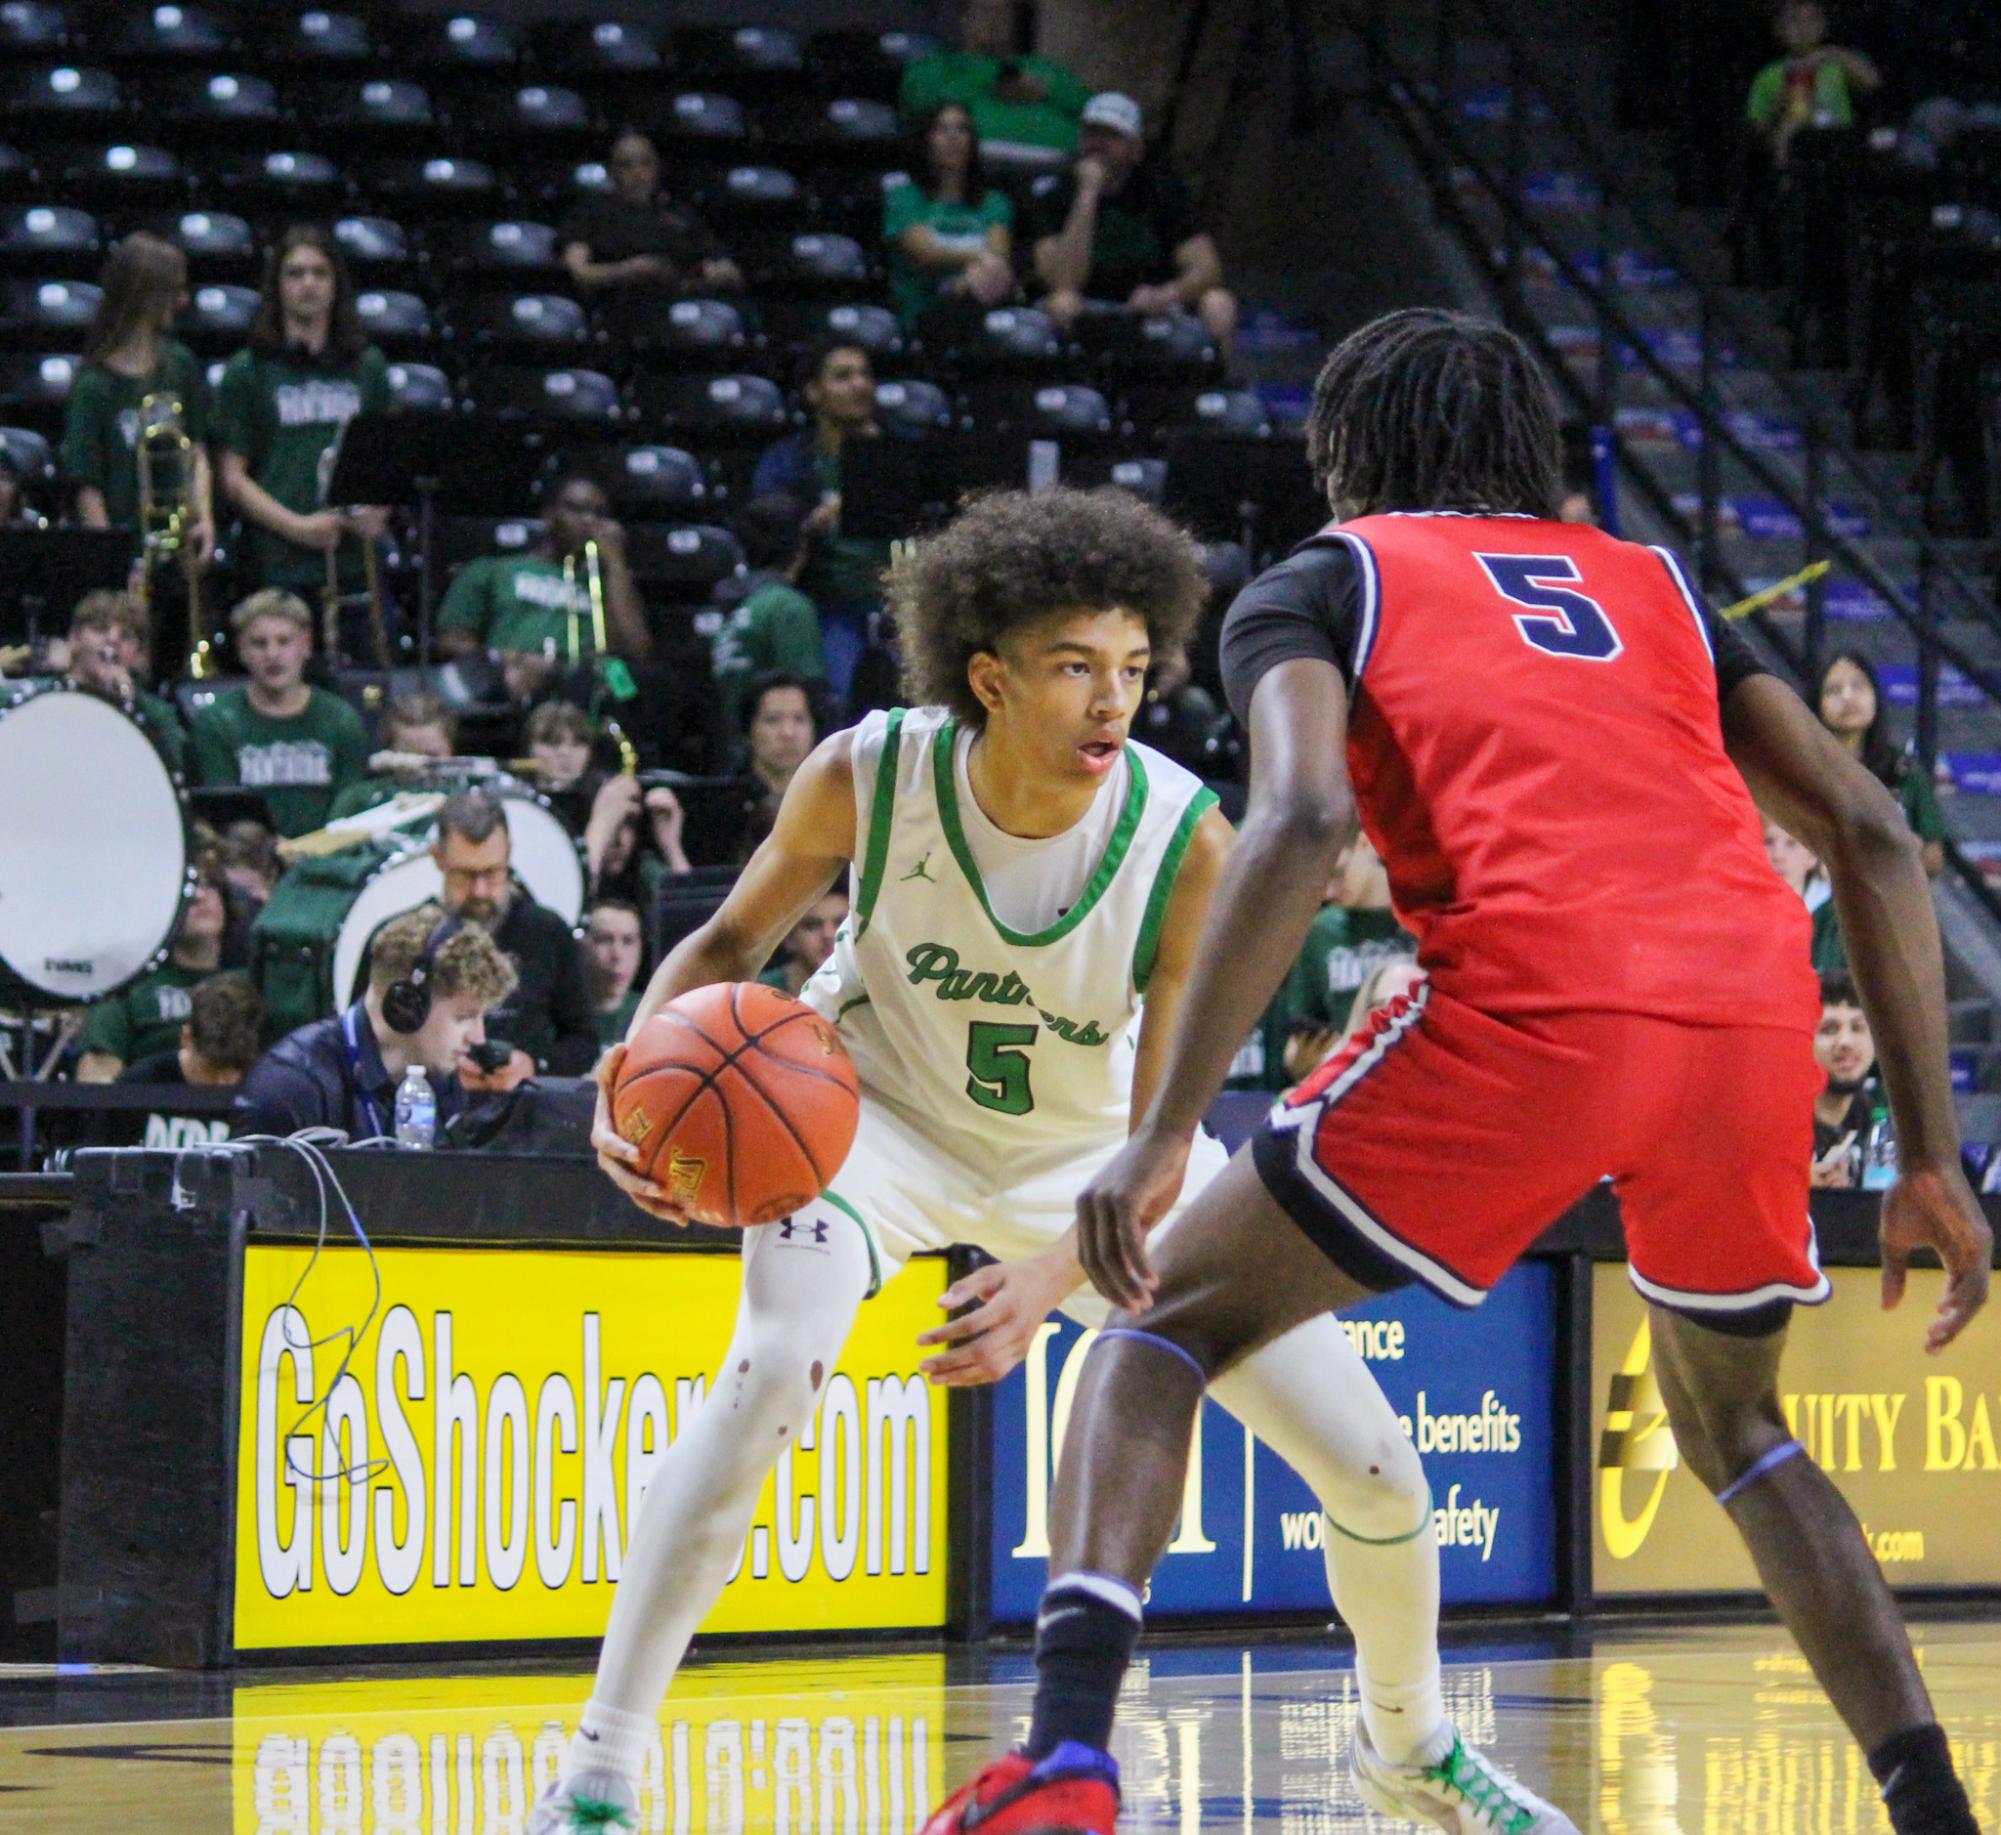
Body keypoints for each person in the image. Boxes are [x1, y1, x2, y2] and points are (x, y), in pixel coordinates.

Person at [931, 310, 1988, 1835]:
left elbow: (1296, 824)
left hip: (1534, 1003)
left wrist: (1164, 1129)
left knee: (1160, 1321)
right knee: (1742, 1434)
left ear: (1348, 450)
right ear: (1525, 452)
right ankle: (1933, 1807)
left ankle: (1071, 1753)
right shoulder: (1662, 586)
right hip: (1749, 1011)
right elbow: (1873, 837)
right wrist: (1932, 1159)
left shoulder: (1327, 579)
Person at [528, 486, 1559, 1835]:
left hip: (1095, 1160)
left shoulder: (1183, 838)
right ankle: (601, 1765)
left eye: (1132, 667)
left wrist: (1045, 1274)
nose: (1109, 701)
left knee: (1373, 1464)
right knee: (774, 1364)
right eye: (1075, 666)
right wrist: (628, 1077)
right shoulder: (869, 769)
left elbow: (1158, 1137)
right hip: (872, 1122)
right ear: (988, 674)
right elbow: (723, 951)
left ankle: (1412, 1744)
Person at [213, 225, 390, 611]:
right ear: (277, 285)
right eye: (295, 273)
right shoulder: (248, 370)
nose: (308, 284)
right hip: (279, 564)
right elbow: (232, 477)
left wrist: (377, 513)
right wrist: (298, 527)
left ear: (336, 283)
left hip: (354, 564)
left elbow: (390, 460)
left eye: (319, 273)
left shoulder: (368, 366)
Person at [235, 903, 516, 1138]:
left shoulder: (443, 1084)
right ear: (407, 1006)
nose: (478, 1038)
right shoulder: (292, 1088)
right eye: (463, 1017)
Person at [1024, 93, 1239, 365]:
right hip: (1086, 303)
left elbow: (1208, 269)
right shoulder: (1054, 194)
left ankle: (1216, 396)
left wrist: (1166, 294)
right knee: (1062, 302)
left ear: (1136, 149)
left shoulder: (1163, 191)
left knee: (1219, 303)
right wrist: (1087, 195)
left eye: (1111, 136)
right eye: (1092, 134)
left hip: (1149, 302)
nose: (1097, 144)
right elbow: (1061, 280)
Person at [418, 789, 598, 1084]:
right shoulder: (411, 939)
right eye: (465, 875)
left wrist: (533, 1065)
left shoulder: (547, 932)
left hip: (523, 1112)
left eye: (492, 873)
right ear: (438, 858)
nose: (480, 891)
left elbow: (583, 1041)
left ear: (509, 853)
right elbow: (379, 1042)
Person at [60, 231, 214, 574]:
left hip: (179, 550)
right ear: (145, 296)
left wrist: (203, 518)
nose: (184, 300)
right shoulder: (93, 387)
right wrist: (112, 565)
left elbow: (197, 454)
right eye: (174, 291)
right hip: (129, 553)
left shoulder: (181, 364)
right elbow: (88, 489)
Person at [751, 339, 891, 704]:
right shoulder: (786, 462)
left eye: (865, 375)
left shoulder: (901, 452)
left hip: (896, 603)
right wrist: (810, 521)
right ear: (814, 392)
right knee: (836, 700)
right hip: (827, 605)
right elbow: (765, 534)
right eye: (843, 376)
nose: (859, 384)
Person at [434, 471, 652, 704]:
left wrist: (615, 563)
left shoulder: (610, 583)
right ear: (548, 516)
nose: (589, 521)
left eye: (599, 514)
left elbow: (637, 650)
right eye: (576, 509)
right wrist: (504, 660)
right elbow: (450, 641)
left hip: (586, 683)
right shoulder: (493, 569)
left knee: (643, 685)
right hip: (510, 678)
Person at [188, 589, 369, 838]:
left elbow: (352, 809)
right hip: (249, 860)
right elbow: (225, 814)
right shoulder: (217, 721)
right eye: (259, 643)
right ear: (242, 650)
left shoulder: (340, 720)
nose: (272, 654)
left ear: (305, 645)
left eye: (284, 641)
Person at [560, 130, 742, 334]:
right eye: (626, 166)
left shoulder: (680, 215)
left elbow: (727, 268)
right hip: (621, 311)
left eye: (645, 163)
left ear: (657, 168)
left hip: (683, 307)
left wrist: (717, 272)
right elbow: (578, 271)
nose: (638, 173)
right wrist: (627, 270)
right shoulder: (592, 213)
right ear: (611, 172)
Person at [75, 858, 233, 1081]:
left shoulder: (250, 983)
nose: (199, 896)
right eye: (186, 888)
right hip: (148, 1110)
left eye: (210, 885)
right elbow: (98, 1075)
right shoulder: (129, 985)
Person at [898, 0, 1091, 166]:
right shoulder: (940, 64)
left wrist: (1046, 91)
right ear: (965, 20)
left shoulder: (1040, 67)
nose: (995, 21)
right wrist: (991, 80)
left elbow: (1092, 108)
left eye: (1004, 13)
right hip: (975, 169)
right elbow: (921, 101)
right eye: (986, 10)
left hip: (1057, 167)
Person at [884, 102, 1016, 331]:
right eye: (941, 129)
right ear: (926, 140)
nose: (953, 137)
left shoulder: (993, 202)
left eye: (962, 129)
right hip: (924, 311)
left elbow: (999, 255)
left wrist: (974, 273)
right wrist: (977, 261)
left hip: (981, 300)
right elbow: (925, 253)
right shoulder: (904, 198)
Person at [1816, 650, 1945, 876]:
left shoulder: (1904, 770)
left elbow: (1934, 858)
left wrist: (1910, 855)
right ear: (1816, 703)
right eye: (1834, 690)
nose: (1848, 697)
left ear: (1876, 695)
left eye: (1858, 686)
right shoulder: (1799, 767)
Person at [712, 495, 826, 735]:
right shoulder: (788, 607)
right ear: (800, 546)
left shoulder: (737, 607)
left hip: (737, 750)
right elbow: (810, 698)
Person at [684, 670, 819, 867]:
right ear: (748, 732)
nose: (788, 733)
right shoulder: (722, 810)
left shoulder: (831, 799)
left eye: (799, 719)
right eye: (772, 720)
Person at [114, 972, 265, 1148]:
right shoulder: (138, 1087)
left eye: (235, 1070)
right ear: (186, 1038)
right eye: (211, 1068)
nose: (222, 1082)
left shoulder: (264, 1095)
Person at [55, 589, 188, 772]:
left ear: (138, 654)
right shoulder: (42, 700)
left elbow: (165, 782)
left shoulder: (158, 715)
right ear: (74, 639)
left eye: (125, 636)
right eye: (101, 629)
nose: (113, 639)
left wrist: (128, 705)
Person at [1747, 0, 1880, 170]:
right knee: (1786, 134)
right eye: (1793, 20)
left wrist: (1831, 53)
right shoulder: (1768, 75)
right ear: (1778, 29)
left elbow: (1873, 83)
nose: (1804, 28)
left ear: (1824, 26)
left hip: (1838, 139)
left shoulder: (1836, 64)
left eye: (1812, 20)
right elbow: (1756, 129)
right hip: (1796, 145)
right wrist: (1779, 105)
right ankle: (1785, 181)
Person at [324, 692, 461, 820]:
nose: (419, 767)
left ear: (450, 749)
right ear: (388, 751)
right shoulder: (357, 801)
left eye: (431, 755)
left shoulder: (467, 801)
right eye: (406, 756)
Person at [1811, 968, 1877, 1188]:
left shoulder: (1869, 1118)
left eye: (1858, 1027)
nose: (1845, 1041)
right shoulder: (1777, 1124)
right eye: (1829, 1030)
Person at [756, 887, 847, 998]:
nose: (828, 934)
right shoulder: (759, 993)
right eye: (812, 925)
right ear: (788, 938)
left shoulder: (871, 985)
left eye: (841, 923)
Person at [582, 898, 646, 1048]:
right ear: (583, 946)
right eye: (604, 939)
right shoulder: (562, 1018)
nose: (617, 954)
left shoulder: (652, 1014)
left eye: (628, 941)